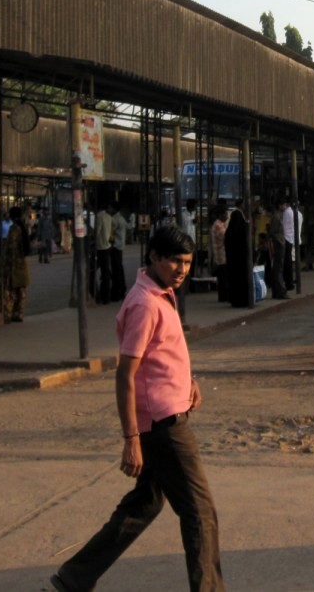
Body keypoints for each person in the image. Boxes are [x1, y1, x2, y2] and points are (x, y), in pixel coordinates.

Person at [51, 226, 224, 592]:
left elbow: (161, 358)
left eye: (188, 263)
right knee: (200, 512)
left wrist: (186, 381)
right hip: (162, 426)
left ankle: (74, 578)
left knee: (143, 506)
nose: (182, 269)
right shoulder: (145, 303)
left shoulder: (162, 293)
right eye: (175, 261)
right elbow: (126, 373)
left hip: (166, 414)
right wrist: (131, 438)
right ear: (154, 258)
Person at [1, 205, 30, 323]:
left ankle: (8, 314)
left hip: (13, 264)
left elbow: (11, 247)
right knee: (21, 290)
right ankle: (19, 314)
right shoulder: (23, 227)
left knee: (10, 290)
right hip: (22, 263)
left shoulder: (14, 228)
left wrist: (7, 263)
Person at [223, 201, 251, 308]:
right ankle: (243, 300)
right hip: (242, 260)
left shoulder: (230, 234)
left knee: (235, 280)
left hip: (233, 261)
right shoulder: (242, 233)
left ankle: (235, 300)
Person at [95, 202, 116, 305]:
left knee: (96, 272)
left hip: (100, 247)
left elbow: (97, 232)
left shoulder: (99, 216)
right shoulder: (109, 217)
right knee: (106, 272)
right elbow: (112, 232)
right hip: (107, 246)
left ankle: (100, 296)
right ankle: (106, 297)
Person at [268, 200, 288, 299]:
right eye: (284, 204)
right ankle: (280, 291)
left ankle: (278, 291)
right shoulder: (276, 217)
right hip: (278, 243)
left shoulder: (279, 216)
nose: (285, 206)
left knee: (278, 268)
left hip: (279, 242)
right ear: (280, 205)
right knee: (278, 268)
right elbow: (273, 232)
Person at [210, 204, 229, 303]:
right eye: (225, 214)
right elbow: (225, 237)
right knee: (223, 277)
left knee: (223, 277)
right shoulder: (218, 225)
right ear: (221, 215)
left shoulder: (220, 224)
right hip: (221, 255)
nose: (227, 216)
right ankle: (223, 296)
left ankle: (223, 296)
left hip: (221, 255)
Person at [110, 205, 130, 301]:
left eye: (111, 207)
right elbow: (128, 227)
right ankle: (122, 289)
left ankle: (117, 291)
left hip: (115, 246)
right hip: (121, 246)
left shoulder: (115, 219)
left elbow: (111, 232)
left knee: (116, 269)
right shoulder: (121, 218)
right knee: (119, 268)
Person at [281, 199, 298, 292]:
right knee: (288, 262)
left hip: (286, 238)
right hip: (290, 238)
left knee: (287, 262)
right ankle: (289, 282)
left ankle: (288, 282)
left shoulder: (286, 213)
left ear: (285, 204)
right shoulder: (291, 212)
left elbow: (283, 226)